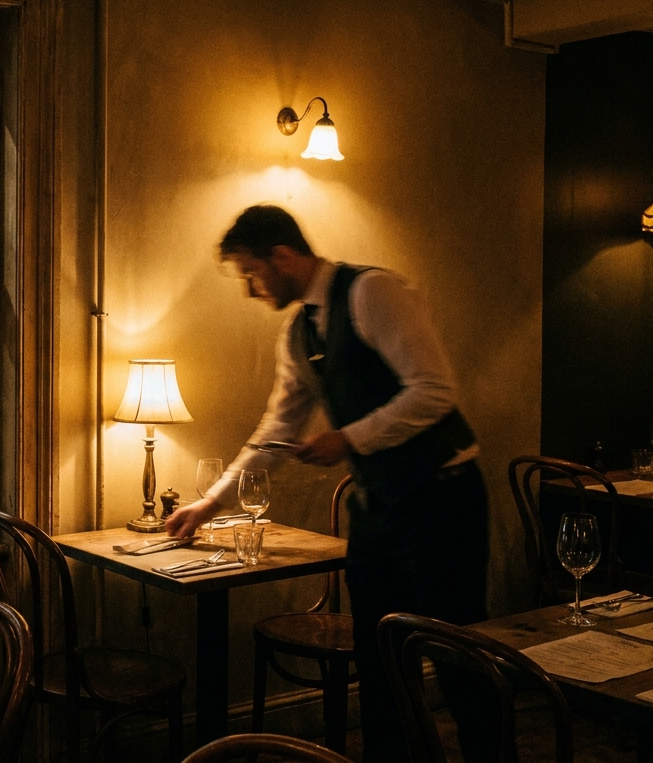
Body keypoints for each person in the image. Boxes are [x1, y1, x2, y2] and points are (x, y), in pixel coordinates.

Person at [165, 205, 490, 763]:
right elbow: (277, 428)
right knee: (380, 666)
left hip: (442, 497)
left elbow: (434, 390)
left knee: (458, 659)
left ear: (283, 257)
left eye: (250, 273)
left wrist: (347, 438)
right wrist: (210, 505)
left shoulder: (374, 292)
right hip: (376, 509)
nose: (249, 289)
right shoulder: (297, 334)